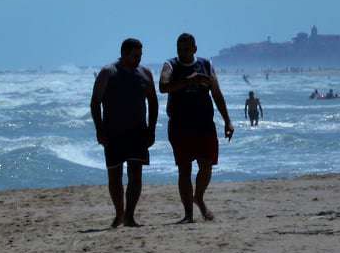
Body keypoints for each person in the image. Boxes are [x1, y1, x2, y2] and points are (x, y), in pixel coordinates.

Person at [160, 33, 233, 223]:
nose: (182, 52)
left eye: (186, 49)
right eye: (179, 49)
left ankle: (198, 197)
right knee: (184, 169)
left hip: (204, 124)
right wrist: (187, 81)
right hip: (180, 125)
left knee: (206, 165)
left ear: (194, 49)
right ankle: (188, 214)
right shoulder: (170, 65)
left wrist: (227, 120)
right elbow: (163, 86)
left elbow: (216, 93)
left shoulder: (205, 65)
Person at [89, 37, 158, 228]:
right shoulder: (108, 72)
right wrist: (99, 129)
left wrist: (151, 129)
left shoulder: (145, 73)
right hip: (113, 132)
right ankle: (119, 213)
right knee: (115, 176)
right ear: (124, 54)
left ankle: (129, 216)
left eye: (140, 56)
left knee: (136, 174)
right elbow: (95, 102)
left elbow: (153, 102)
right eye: (135, 56)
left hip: (138, 132)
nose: (138, 59)